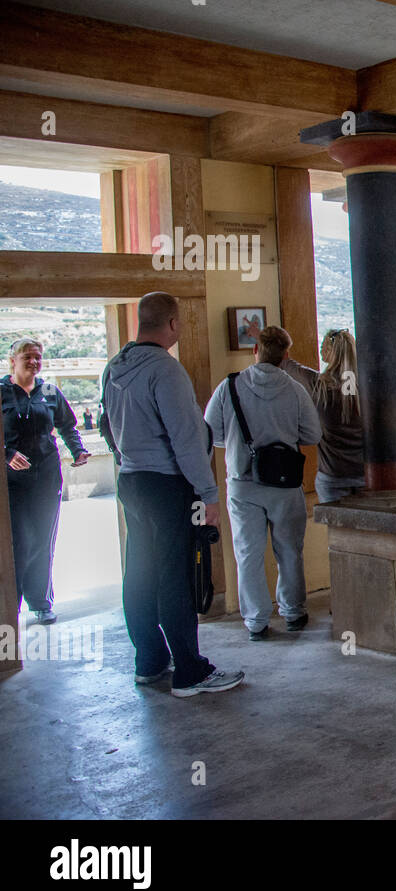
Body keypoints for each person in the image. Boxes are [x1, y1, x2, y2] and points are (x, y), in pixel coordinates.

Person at [101, 292, 244, 698]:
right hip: (167, 484)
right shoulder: (165, 371)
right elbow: (185, 439)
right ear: (172, 325)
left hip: (131, 481)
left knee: (140, 573)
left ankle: (149, 660)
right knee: (176, 576)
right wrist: (209, 494)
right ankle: (189, 671)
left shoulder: (114, 368)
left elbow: (105, 425)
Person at [204, 325, 321, 641]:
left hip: (243, 483)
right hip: (285, 484)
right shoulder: (295, 390)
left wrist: (235, 444)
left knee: (248, 553)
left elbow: (210, 433)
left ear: (255, 351)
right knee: (289, 550)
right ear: (285, 356)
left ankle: (256, 620)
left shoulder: (229, 388)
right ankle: (293, 612)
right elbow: (313, 435)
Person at [2, 339, 90, 624]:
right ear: (12, 360)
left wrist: (77, 450)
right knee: (17, 542)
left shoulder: (50, 390)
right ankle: (9, 609)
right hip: (11, 483)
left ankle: (41, 602)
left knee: (43, 539)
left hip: (47, 476)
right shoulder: (2, 391)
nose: (34, 362)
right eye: (27, 356)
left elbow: (67, 425)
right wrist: (6, 453)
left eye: (38, 357)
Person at [280, 328, 365, 503]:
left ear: (329, 352)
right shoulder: (366, 388)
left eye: (322, 346)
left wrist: (259, 336)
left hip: (333, 474)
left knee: (336, 530)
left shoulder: (318, 385)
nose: (320, 350)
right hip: (365, 474)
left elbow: (288, 364)